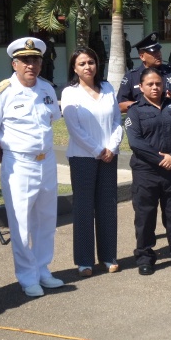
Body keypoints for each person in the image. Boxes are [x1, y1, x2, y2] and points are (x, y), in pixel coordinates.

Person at [0, 37, 63, 297]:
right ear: (14, 64)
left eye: (36, 60)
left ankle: (42, 269)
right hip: (18, 163)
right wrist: (4, 160)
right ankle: (27, 277)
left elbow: (52, 122)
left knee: (47, 219)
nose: (31, 65)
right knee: (21, 223)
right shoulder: (1, 92)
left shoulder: (47, 89)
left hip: (46, 160)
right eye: (25, 60)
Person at [125, 67, 171, 275]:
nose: (155, 87)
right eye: (150, 84)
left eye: (158, 83)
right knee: (145, 216)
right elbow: (135, 142)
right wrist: (160, 159)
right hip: (146, 172)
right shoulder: (135, 110)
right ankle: (145, 256)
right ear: (141, 87)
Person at [61, 47, 123, 278]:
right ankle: (85, 261)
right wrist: (98, 150)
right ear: (74, 69)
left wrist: (112, 147)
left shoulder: (107, 88)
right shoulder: (70, 92)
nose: (88, 67)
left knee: (107, 207)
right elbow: (74, 128)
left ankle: (109, 256)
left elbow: (117, 119)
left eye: (91, 62)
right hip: (83, 157)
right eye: (82, 64)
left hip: (109, 156)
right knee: (84, 209)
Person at [117, 31, 171, 113]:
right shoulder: (131, 76)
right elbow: (121, 105)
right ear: (142, 56)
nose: (158, 54)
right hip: (144, 122)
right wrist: (143, 105)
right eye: (153, 52)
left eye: (158, 50)